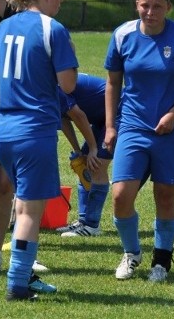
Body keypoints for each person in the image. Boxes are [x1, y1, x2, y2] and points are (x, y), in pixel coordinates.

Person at [0, 0, 78, 301]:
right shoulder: (52, 29)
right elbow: (68, 85)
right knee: (29, 210)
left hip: (6, 129)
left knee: (16, 198)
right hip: (35, 130)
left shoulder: (7, 25)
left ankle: (21, 274)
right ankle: (18, 281)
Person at [103, 0, 174, 282]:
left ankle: (161, 262)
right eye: (144, 5)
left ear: (169, 8)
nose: (150, 12)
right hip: (132, 126)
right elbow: (113, 83)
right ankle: (131, 253)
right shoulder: (123, 34)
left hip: (171, 129)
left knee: (165, 195)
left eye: (157, 6)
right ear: (136, 4)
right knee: (121, 195)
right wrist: (111, 126)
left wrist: (173, 115)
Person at [56, 73, 112, 238]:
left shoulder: (56, 86)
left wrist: (94, 148)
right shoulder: (48, 84)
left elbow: (79, 116)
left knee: (97, 166)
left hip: (118, 113)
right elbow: (64, 118)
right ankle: (83, 221)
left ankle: (92, 225)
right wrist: (79, 152)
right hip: (101, 118)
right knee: (85, 165)